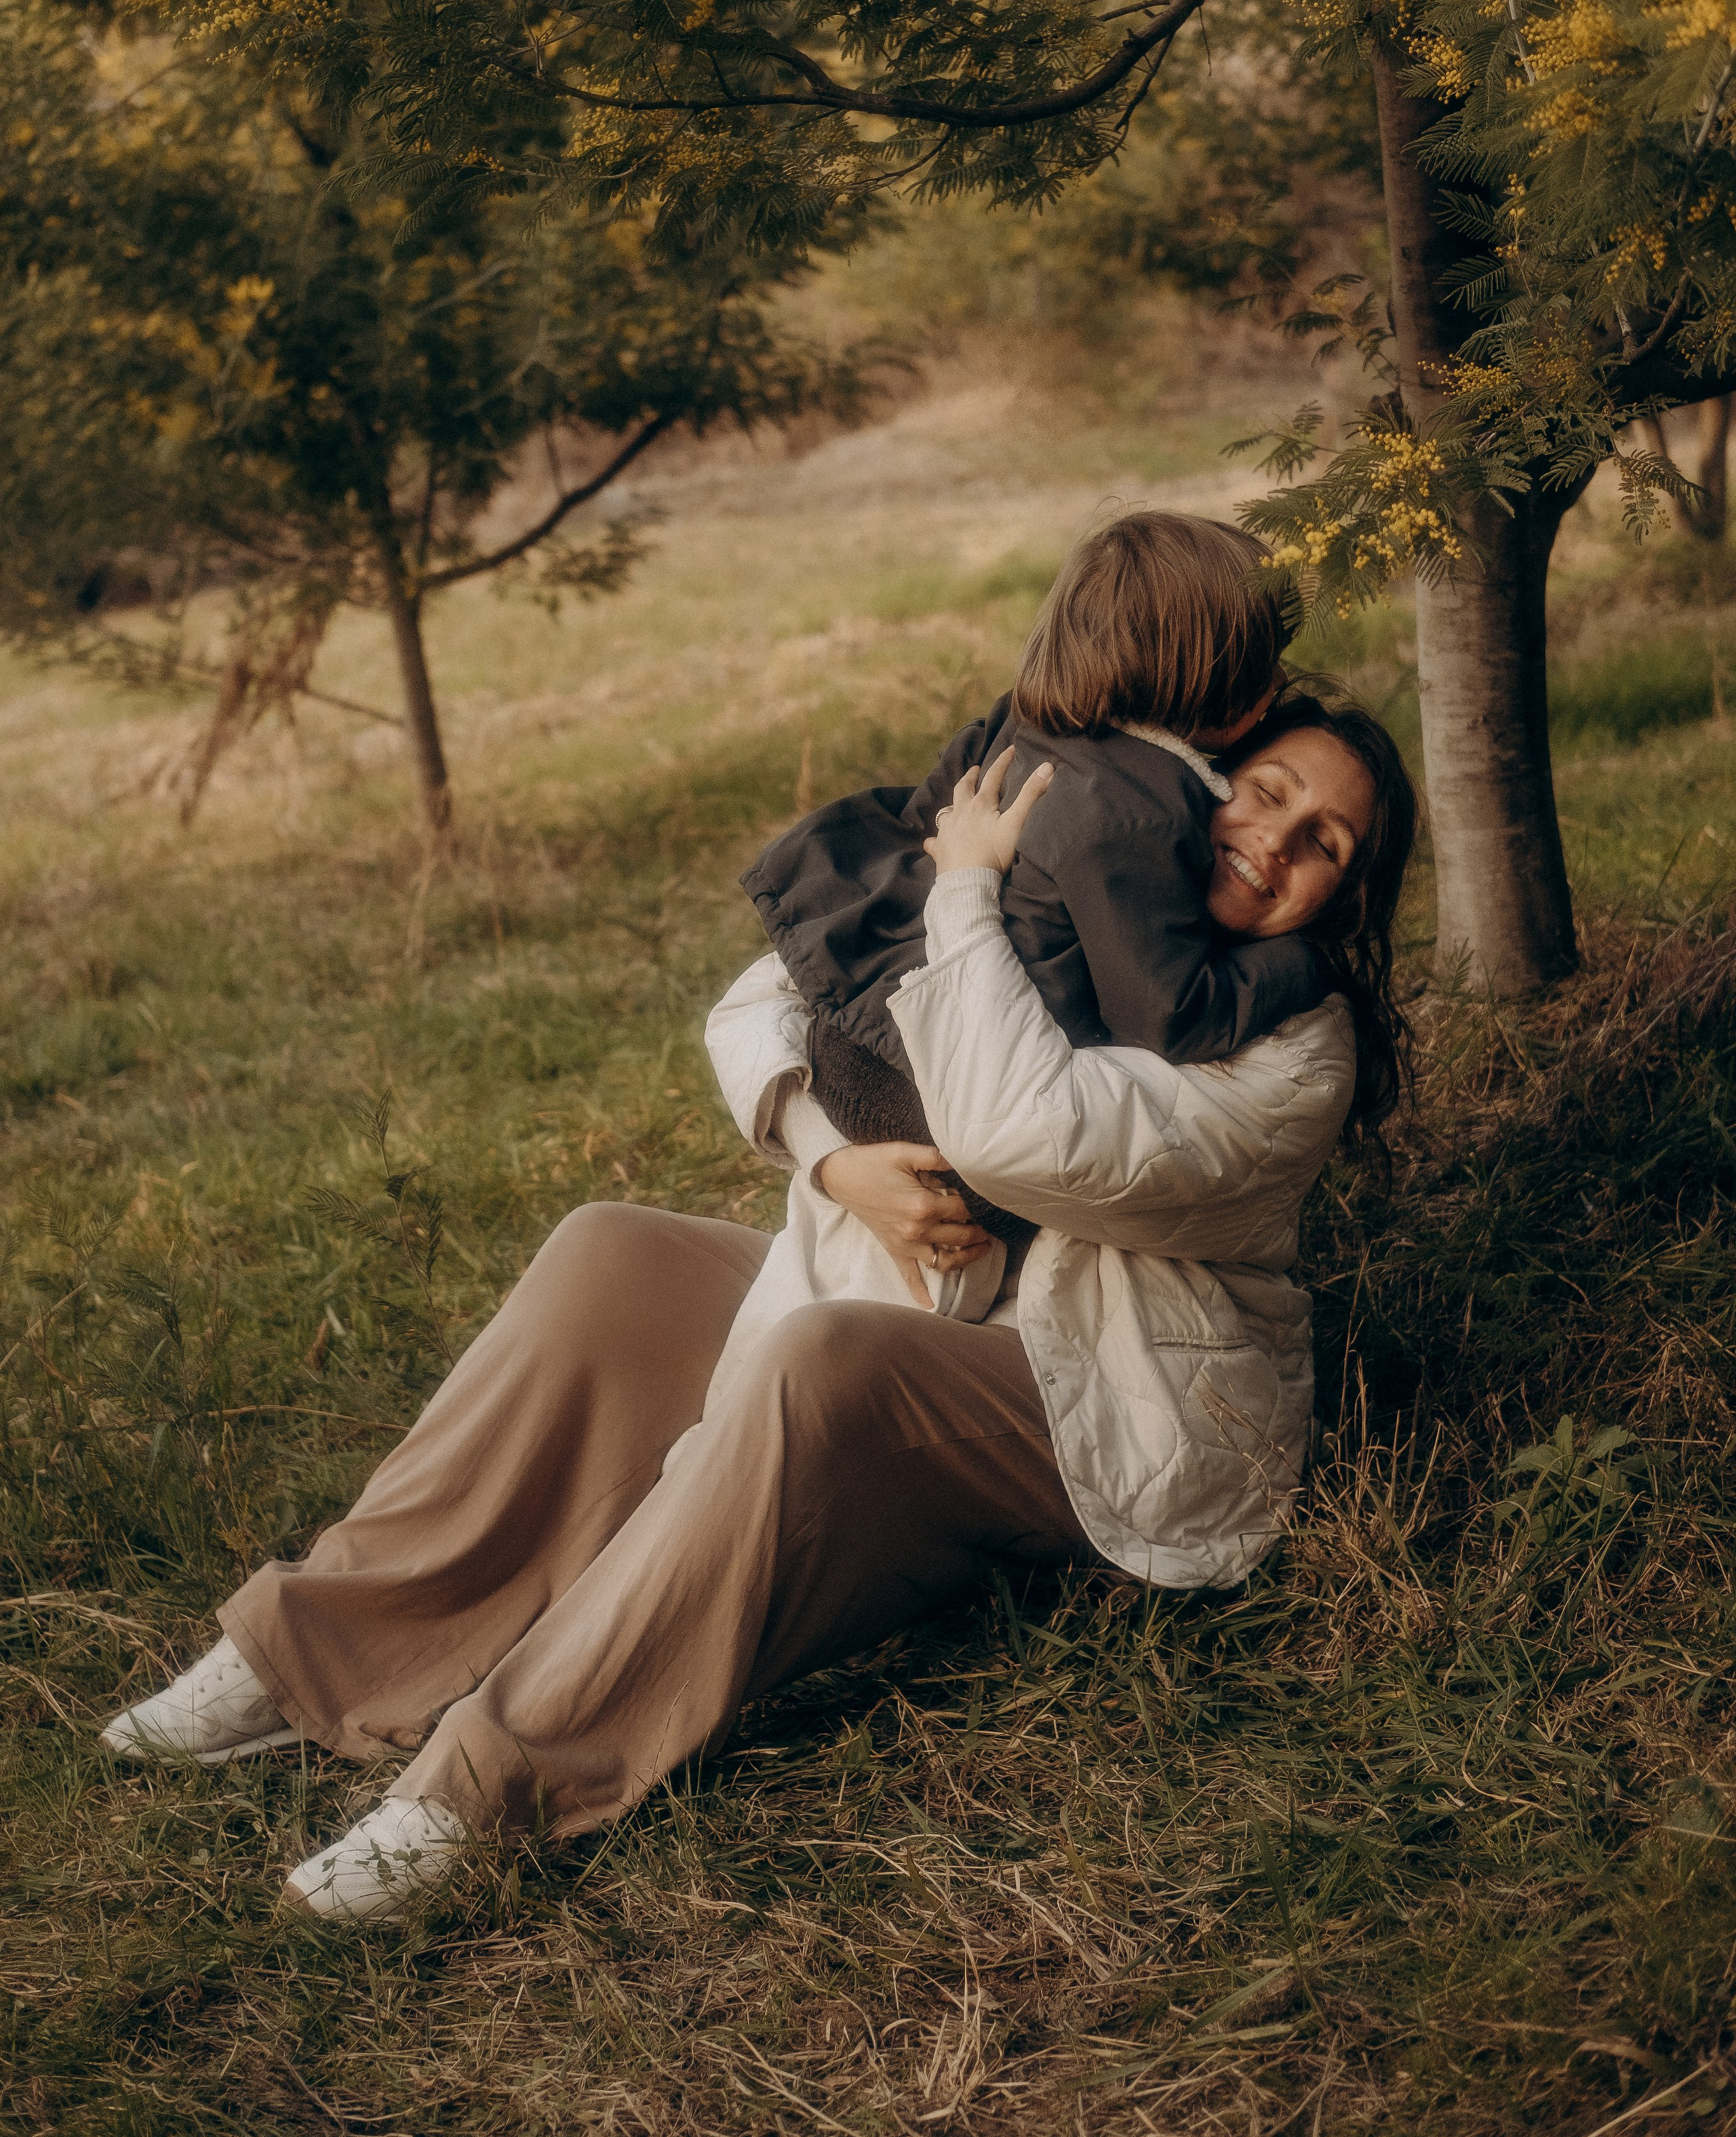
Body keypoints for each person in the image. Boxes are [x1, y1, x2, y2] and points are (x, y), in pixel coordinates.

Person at [98, 691, 1416, 1926]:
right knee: (609, 1253)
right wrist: (826, 1151)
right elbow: (766, 997)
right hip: (903, 1294)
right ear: (1194, 784)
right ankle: (316, 1652)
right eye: (1262, 792)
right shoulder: (1072, 884)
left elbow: (1019, 1131)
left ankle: (489, 1785)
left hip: (1102, 1407)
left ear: (1346, 896)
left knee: (825, 1361)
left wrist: (962, 892)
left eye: (1322, 841)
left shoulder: (1292, 1048)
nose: (1270, 840)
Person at [745, 511, 1322, 1286]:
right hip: (931, 1111)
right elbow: (1173, 1013)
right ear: (1214, 682)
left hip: (848, 1042)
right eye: (1266, 665)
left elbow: (926, 820)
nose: (1277, 683)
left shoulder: (1024, 718)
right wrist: (1302, 962)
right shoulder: (1139, 816)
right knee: (1050, 1191)